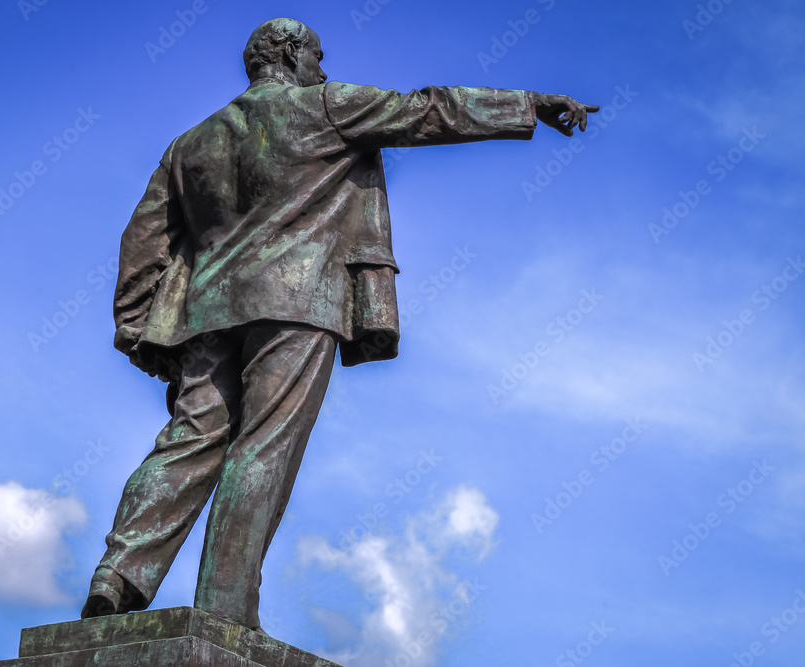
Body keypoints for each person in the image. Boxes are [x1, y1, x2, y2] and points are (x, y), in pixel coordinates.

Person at [82, 17, 598, 630]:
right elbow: (429, 111)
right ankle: (225, 605)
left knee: (190, 439)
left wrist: (137, 326)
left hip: (206, 312)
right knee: (264, 447)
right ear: (295, 52)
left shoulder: (192, 142)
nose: (323, 69)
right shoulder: (327, 105)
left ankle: (117, 574)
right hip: (297, 304)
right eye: (319, 56)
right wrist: (528, 105)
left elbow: (143, 240)